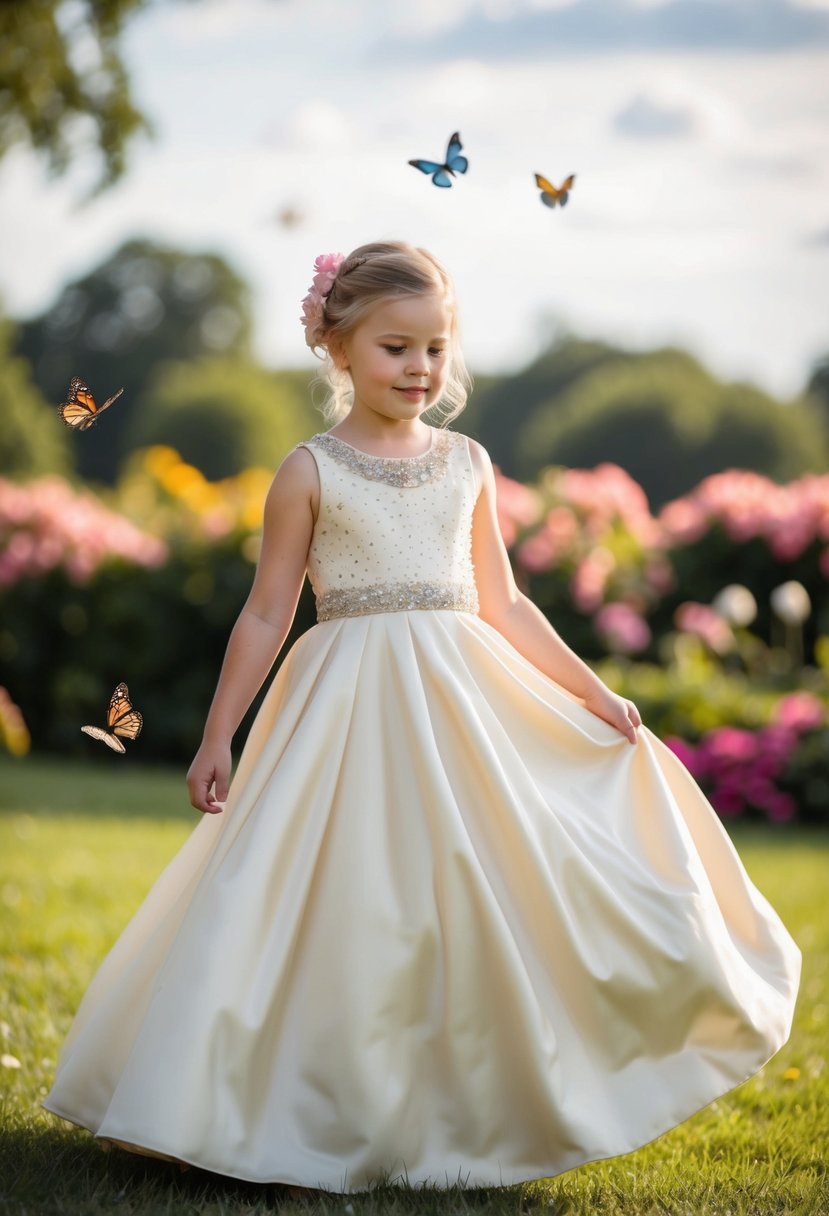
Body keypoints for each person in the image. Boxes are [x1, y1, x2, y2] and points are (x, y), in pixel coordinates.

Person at [42, 240, 801, 1196]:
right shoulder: (309, 470)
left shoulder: (468, 464)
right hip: (345, 715)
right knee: (344, 900)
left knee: (481, 894)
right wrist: (218, 734)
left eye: (435, 349)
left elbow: (507, 604)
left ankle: (470, 1106)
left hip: (464, 708)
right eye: (396, 348)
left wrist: (589, 693)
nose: (419, 370)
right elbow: (269, 612)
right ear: (340, 348)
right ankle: (293, 1103)